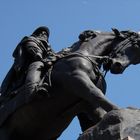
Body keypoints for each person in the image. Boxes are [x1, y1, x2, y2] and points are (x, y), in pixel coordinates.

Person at [1, 26, 53, 98]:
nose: (44, 35)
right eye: (42, 33)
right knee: (37, 65)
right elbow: (31, 46)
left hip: (45, 61)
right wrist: (38, 53)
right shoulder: (31, 39)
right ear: (38, 34)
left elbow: (51, 54)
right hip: (27, 65)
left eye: (46, 34)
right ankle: (33, 89)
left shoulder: (47, 46)